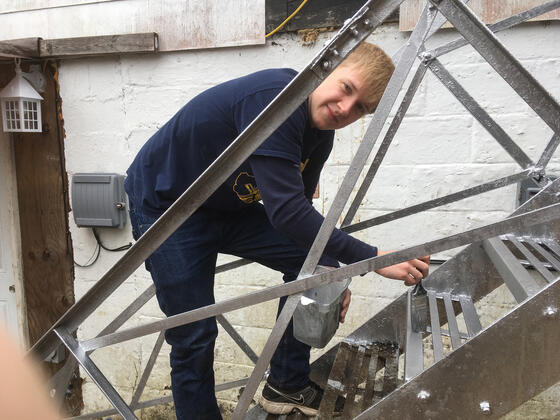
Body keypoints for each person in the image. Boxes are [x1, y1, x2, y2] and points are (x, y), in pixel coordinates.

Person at [124, 43, 430, 419]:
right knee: (193, 335)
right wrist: (370, 259)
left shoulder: (320, 134)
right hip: (167, 207)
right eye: (347, 88)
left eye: (361, 109)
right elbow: (287, 214)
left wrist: (331, 273)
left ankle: (285, 382)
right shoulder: (276, 98)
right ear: (327, 68)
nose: (345, 109)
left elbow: (299, 216)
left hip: (223, 206)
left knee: (313, 262)